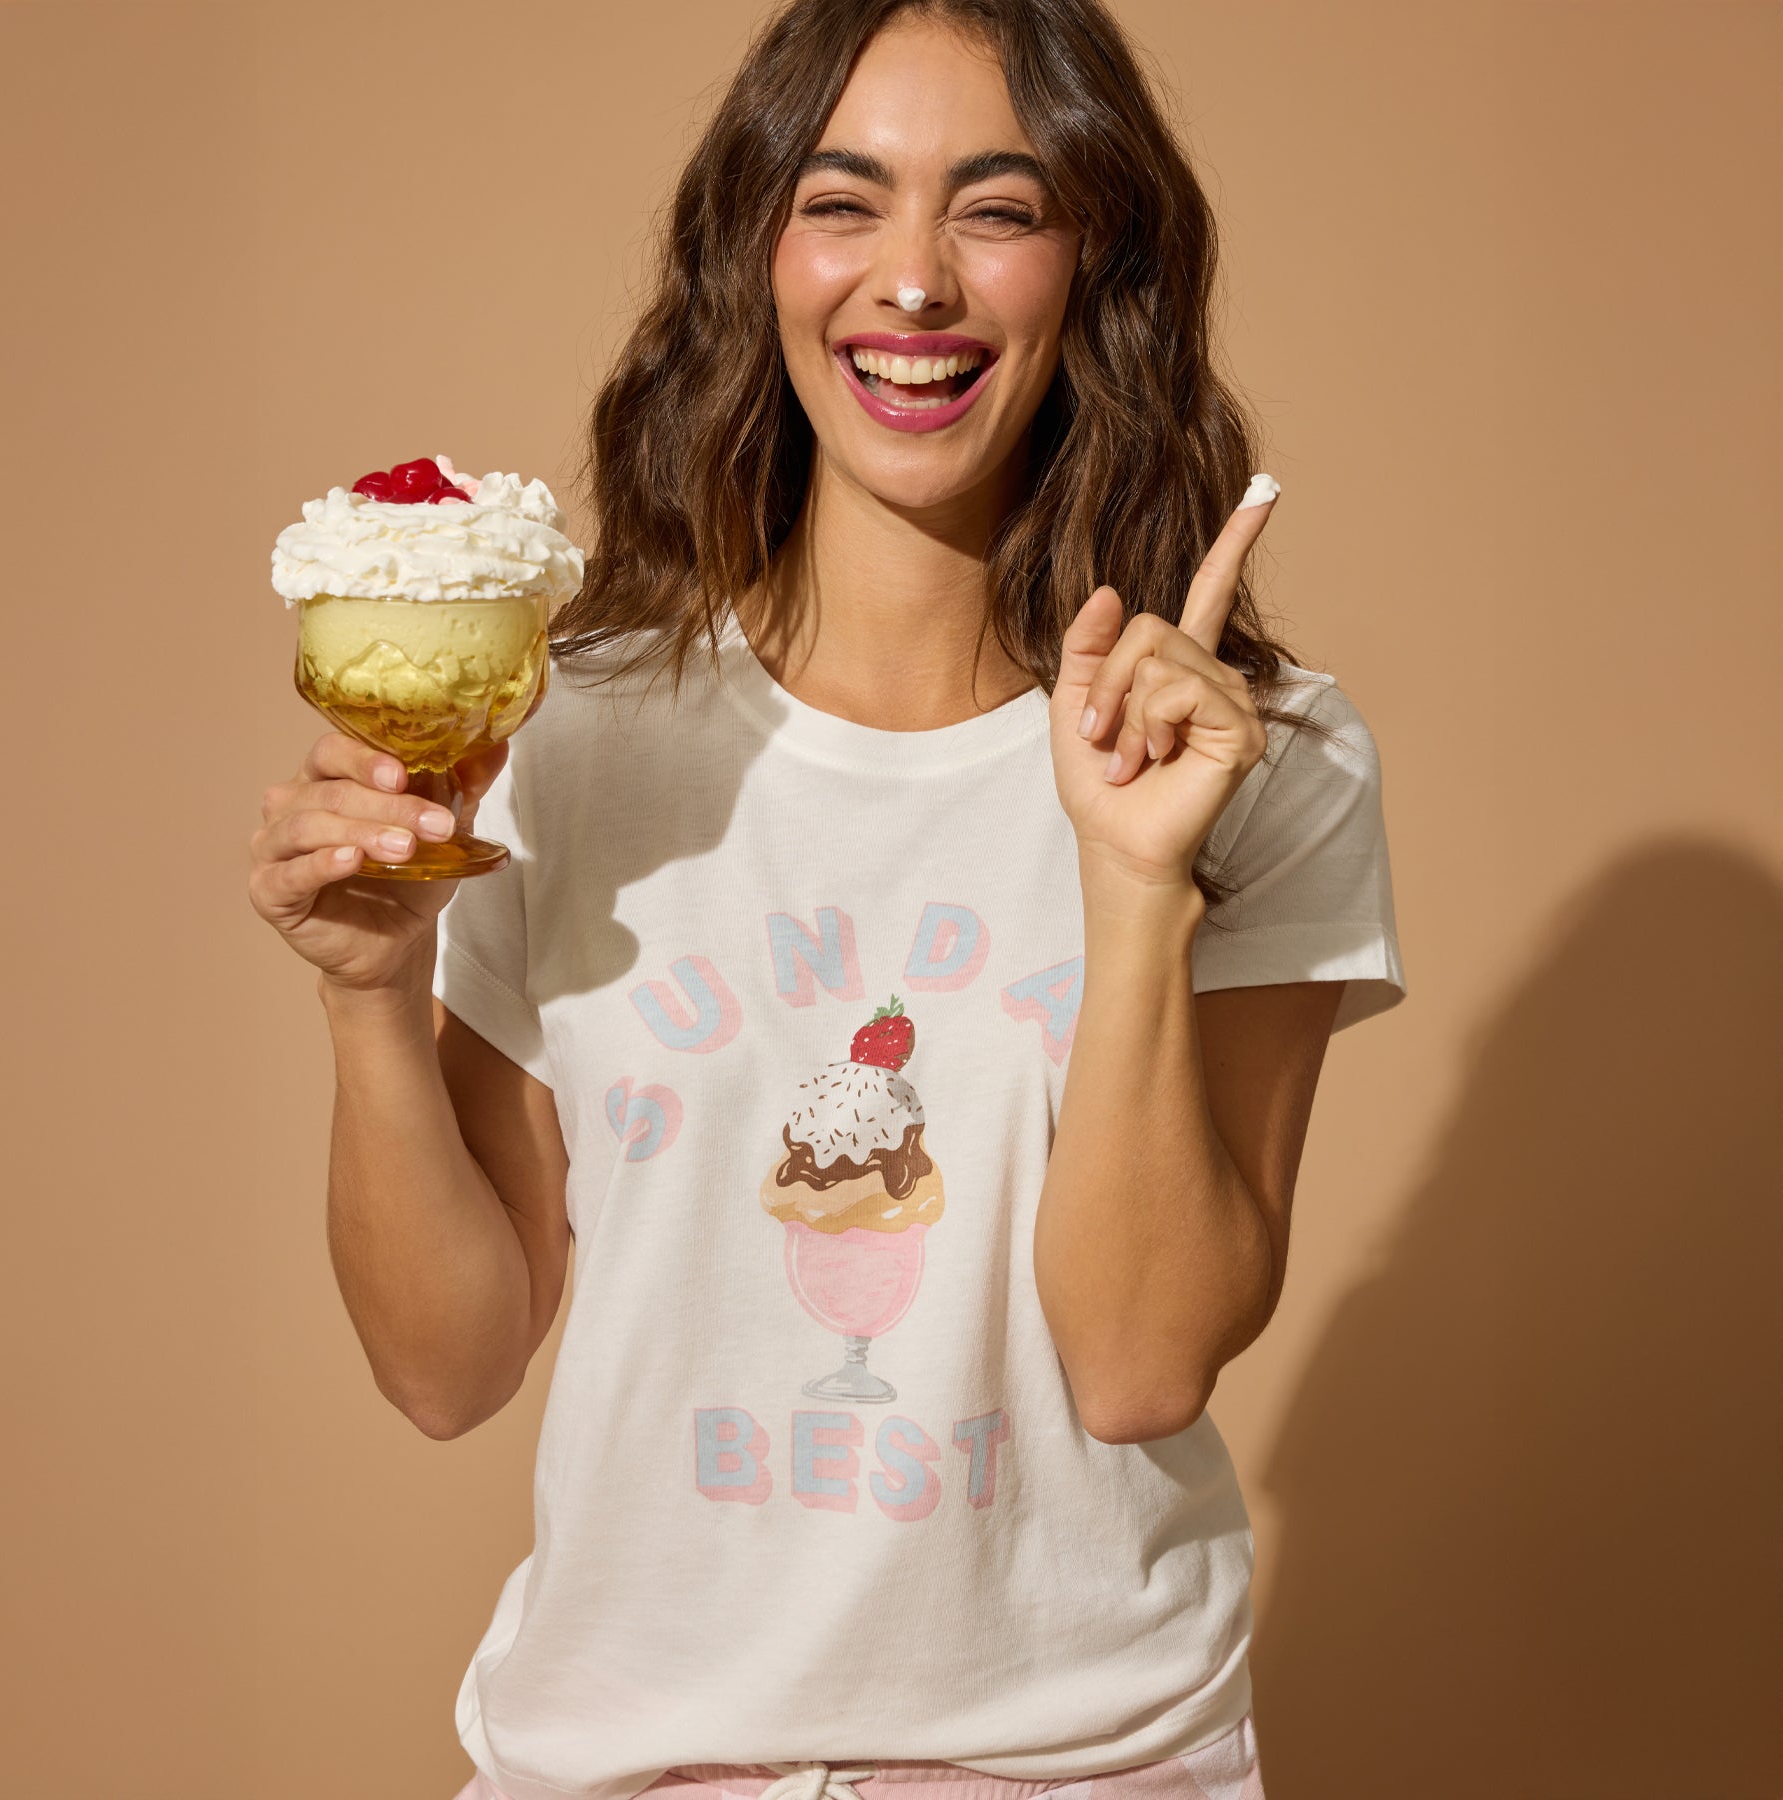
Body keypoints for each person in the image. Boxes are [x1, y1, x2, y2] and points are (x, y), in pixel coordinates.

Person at [248, 1, 1406, 1796]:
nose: (916, 282)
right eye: (843, 201)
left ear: (1098, 263)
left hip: (1078, 1767)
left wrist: (1137, 882)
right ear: (756, 255)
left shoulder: (1259, 754)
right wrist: (368, 998)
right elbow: (445, 1368)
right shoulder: (571, 730)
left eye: (1000, 210)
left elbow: (1139, 1364)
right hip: (624, 1766)